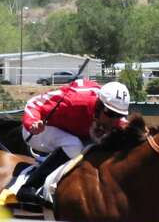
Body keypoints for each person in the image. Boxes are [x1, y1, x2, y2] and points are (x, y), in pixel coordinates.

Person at [15, 79, 131, 209]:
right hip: (38, 131)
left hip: (70, 132)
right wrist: (33, 123)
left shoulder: (113, 118)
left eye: (119, 115)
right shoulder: (75, 100)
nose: (114, 120)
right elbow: (33, 103)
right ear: (98, 105)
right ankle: (30, 187)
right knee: (74, 145)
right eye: (110, 114)